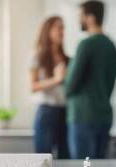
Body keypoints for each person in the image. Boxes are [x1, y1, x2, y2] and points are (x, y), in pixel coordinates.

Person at [65, 0, 116, 159]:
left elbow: (70, 86)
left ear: (90, 18)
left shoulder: (86, 44)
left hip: (83, 116)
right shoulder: (111, 46)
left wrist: (62, 75)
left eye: (80, 16)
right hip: (104, 115)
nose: (78, 20)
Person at [30, 16, 69, 159]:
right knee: (43, 159)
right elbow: (33, 86)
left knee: (66, 158)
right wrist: (56, 79)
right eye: (58, 27)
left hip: (66, 112)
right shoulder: (38, 56)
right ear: (48, 30)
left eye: (63, 28)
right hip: (46, 112)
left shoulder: (67, 59)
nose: (62, 31)